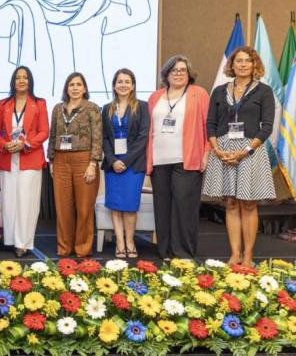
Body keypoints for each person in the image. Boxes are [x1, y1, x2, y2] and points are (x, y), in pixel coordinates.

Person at [203, 47, 276, 266]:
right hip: (223, 150)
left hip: (250, 151)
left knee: (249, 204)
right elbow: (211, 124)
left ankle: (248, 256)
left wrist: (246, 151)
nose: (243, 64)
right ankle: (235, 254)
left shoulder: (264, 91)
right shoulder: (218, 91)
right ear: (232, 65)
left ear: (254, 65)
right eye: (238, 61)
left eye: (247, 61)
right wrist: (217, 150)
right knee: (231, 203)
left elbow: (267, 127)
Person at [146, 55, 210, 260]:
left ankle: (182, 252)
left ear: (189, 73)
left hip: (187, 159)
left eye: (183, 69)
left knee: (184, 207)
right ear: (166, 74)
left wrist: (206, 152)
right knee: (162, 207)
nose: (179, 73)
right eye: (174, 70)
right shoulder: (155, 97)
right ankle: (164, 250)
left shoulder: (198, 94)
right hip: (159, 160)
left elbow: (208, 126)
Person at [0, 66, 48, 257]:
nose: (21, 80)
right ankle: (11, 239)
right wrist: (4, 145)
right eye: (18, 77)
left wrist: (25, 145)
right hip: (8, 158)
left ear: (30, 81)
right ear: (13, 82)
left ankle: (23, 242)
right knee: (10, 200)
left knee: (27, 200)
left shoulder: (39, 104)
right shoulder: (4, 104)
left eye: (25, 77)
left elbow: (44, 132)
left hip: (29, 157)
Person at [48, 72, 102, 258]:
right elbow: (53, 135)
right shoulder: (57, 109)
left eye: (79, 84)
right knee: (63, 208)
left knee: (84, 208)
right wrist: (51, 160)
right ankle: (64, 248)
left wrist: (93, 164)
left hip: (84, 160)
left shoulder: (92, 109)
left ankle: (82, 248)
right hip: (61, 161)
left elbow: (97, 138)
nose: (75, 88)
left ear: (85, 88)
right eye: (72, 84)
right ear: (67, 88)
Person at [101, 69, 149, 258]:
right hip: (113, 166)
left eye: (127, 81)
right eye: (119, 81)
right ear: (114, 85)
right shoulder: (106, 108)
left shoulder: (142, 107)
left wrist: (125, 161)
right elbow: (104, 137)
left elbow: (143, 136)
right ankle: (119, 242)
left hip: (133, 165)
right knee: (115, 205)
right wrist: (113, 161)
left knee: (129, 206)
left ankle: (130, 241)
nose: (123, 85)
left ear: (133, 85)